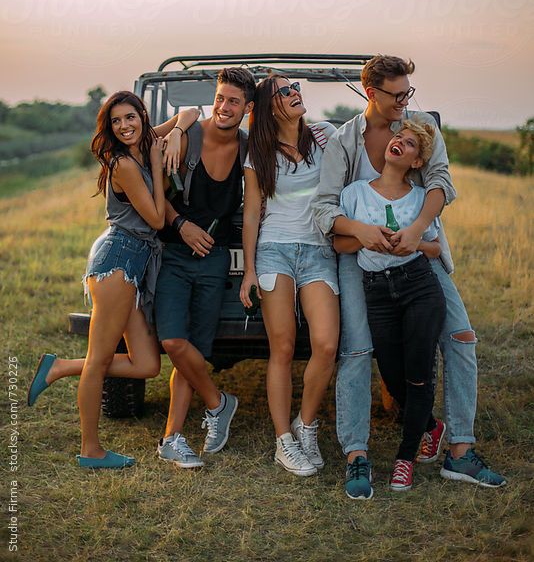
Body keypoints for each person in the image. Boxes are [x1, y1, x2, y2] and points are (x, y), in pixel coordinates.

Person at [313, 54, 507, 498]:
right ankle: (357, 455)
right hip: (359, 259)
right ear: (370, 92)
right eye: (395, 94)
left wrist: (416, 230)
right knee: (358, 347)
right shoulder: (345, 141)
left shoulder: (421, 129)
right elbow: (325, 208)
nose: (404, 101)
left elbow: (441, 182)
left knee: (461, 336)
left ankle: (460, 452)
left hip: (418, 253)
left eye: (408, 93)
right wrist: (361, 231)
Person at [27, 92, 198, 468]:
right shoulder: (122, 163)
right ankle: (91, 450)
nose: (124, 126)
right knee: (98, 359)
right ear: (109, 127)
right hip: (117, 262)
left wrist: (177, 131)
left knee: (147, 365)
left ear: (141, 115)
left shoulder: (147, 137)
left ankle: (58, 367)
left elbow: (191, 110)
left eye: (130, 118)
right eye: (116, 121)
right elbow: (155, 219)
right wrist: (157, 162)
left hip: (135, 265)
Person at [335, 120, 446, 491]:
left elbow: (434, 248)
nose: (400, 142)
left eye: (410, 144)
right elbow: (339, 245)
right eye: (399, 137)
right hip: (376, 292)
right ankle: (432, 425)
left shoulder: (419, 199)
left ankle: (405, 458)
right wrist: (366, 238)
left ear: (417, 162)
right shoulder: (354, 194)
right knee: (392, 374)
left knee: (418, 374)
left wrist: (410, 242)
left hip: (418, 287)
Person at [155, 67, 256, 469]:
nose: (224, 107)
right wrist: (181, 224)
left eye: (234, 101)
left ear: (247, 108)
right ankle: (219, 402)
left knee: (192, 351)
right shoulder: (187, 136)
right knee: (172, 342)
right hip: (175, 254)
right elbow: (151, 196)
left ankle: (172, 438)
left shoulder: (249, 148)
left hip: (214, 257)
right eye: (220, 98)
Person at [239, 75, 339, 477]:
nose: (295, 92)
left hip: (317, 251)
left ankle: (306, 424)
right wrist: (248, 268)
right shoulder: (258, 151)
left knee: (326, 343)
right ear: (269, 105)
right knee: (281, 347)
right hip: (274, 250)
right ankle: (284, 441)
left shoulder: (325, 135)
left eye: (295, 86)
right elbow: (251, 211)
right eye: (284, 90)